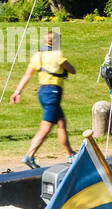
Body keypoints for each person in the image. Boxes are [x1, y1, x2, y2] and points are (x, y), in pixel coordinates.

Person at [10, 30, 76, 169]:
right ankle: (29, 155)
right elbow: (72, 70)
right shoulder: (57, 55)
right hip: (53, 93)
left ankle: (70, 154)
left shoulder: (37, 56)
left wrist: (17, 91)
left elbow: (27, 75)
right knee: (45, 128)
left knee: (61, 123)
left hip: (43, 92)